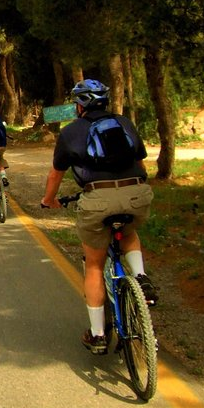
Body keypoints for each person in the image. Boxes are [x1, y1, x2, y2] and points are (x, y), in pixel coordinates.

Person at [41, 79, 158, 355]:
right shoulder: (124, 123)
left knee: (94, 265)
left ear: (81, 105)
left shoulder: (71, 132)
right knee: (128, 232)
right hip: (137, 195)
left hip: (97, 200)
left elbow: (55, 174)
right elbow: (140, 163)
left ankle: (98, 335)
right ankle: (141, 277)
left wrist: (48, 201)